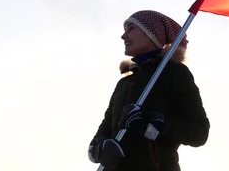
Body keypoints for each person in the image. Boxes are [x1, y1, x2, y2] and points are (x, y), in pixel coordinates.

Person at [88, 10, 209, 171]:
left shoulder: (175, 73)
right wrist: (100, 148)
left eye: (131, 29)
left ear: (151, 34)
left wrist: (152, 125)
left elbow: (199, 133)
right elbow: (104, 129)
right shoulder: (124, 83)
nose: (124, 36)